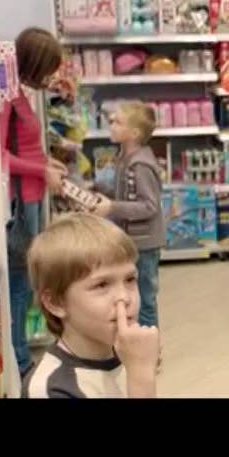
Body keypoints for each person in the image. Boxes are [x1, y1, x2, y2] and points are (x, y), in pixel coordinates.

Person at [22, 213, 160, 398]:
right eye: (102, 285)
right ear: (56, 302)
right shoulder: (48, 389)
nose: (124, 297)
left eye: (130, 279)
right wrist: (141, 376)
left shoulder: (127, 356)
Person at [3, 26, 69, 380]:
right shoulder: (6, 101)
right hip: (19, 203)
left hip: (33, 198)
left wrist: (47, 163)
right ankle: (19, 361)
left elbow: (26, 149)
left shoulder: (20, 94)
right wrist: (40, 170)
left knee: (26, 282)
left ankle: (20, 355)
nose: (50, 77)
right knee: (18, 284)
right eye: (47, 68)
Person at [91, 101, 165, 329]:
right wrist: (98, 191)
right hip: (131, 239)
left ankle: (150, 343)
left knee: (145, 298)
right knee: (133, 295)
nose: (111, 125)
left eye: (118, 122)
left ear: (133, 134)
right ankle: (136, 337)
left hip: (145, 243)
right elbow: (125, 192)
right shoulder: (124, 157)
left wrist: (112, 207)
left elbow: (149, 206)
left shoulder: (140, 165)